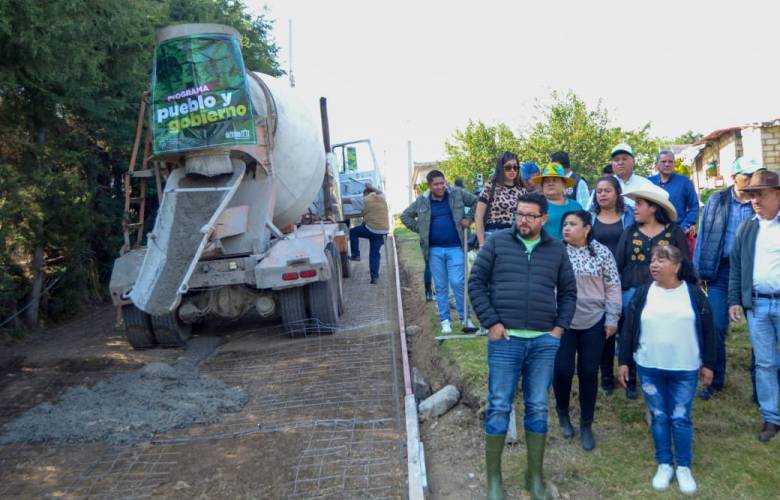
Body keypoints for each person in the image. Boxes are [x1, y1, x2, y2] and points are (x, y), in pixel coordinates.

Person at [469, 192, 577, 500]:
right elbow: (476, 283)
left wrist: (558, 328)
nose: (523, 220)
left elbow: (569, 292)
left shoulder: (556, 249)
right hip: (506, 340)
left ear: (544, 219)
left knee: (538, 406)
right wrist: (491, 322)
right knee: (499, 406)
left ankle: (534, 478)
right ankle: (494, 480)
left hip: (543, 341)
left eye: (530, 215)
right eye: (519, 214)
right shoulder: (497, 243)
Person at [618, 244, 715, 495]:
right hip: (649, 366)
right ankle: (664, 463)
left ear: (677, 266)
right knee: (659, 416)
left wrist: (708, 364)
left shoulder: (694, 294)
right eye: (653, 260)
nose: (654, 264)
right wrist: (624, 361)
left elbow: (708, 331)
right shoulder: (643, 293)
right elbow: (628, 329)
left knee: (681, 417)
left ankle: (683, 466)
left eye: (662, 260)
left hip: (685, 367)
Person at [693, 157, 765, 400]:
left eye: (755, 174)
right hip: (722, 271)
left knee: (760, 329)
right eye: (747, 175)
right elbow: (704, 234)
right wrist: (698, 270)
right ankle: (715, 380)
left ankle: (760, 387)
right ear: (734, 177)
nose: (752, 180)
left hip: (754, 270)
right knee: (715, 325)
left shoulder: (761, 201)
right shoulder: (717, 200)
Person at [554, 210, 621, 451]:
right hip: (562, 321)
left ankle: (586, 424)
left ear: (587, 228)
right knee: (562, 370)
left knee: (589, 373)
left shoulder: (602, 252)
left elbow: (613, 286)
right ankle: (562, 413)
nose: (566, 228)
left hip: (594, 320)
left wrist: (612, 318)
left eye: (573, 224)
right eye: (565, 224)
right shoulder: (555, 251)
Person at [615, 184, 689, 399]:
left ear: (654, 207)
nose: (634, 208)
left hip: (666, 293)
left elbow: (684, 264)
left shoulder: (674, 232)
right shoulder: (630, 232)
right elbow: (618, 263)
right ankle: (630, 377)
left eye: (639, 204)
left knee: (664, 333)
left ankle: (666, 375)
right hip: (632, 291)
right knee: (631, 332)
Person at [727, 169, 780, 442]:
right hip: (757, 305)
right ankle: (771, 418)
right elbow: (736, 267)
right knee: (765, 363)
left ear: (778, 195)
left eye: (761, 194)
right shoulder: (747, 227)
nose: (755, 200)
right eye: (752, 195)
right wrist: (734, 300)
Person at [401, 169, 477, 334]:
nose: (440, 186)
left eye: (442, 183)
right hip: (434, 250)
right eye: (436, 184)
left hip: (456, 247)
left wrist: (469, 219)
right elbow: (405, 216)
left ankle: (466, 319)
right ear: (429, 186)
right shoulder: (422, 201)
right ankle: (445, 321)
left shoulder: (457, 194)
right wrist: (422, 230)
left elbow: (477, 202)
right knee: (441, 287)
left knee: (458, 282)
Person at [587, 176, 635, 394]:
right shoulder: (590, 217)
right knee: (604, 331)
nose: (603, 194)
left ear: (617, 193)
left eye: (607, 190)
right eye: (599, 191)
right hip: (598, 283)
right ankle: (606, 376)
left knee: (628, 330)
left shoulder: (629, 215)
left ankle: (629, 376)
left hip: (626, 280)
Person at [648, 150, 699, 255]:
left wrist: (685, 226)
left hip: (678, 233)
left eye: (670, 161)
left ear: (674, 164)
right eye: (663, 161)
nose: (667, 164)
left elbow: (694, 207)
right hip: (653, 233)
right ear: (656, 164)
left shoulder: (684, 182)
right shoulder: (649, 182)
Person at [475, 152, 526, 247]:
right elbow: (479, 216)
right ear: (500, 168)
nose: (512, 170)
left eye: (515, 167)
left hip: (514, 237)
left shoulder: (522, 191)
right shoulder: (489, 187)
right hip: (492, 235)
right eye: (508, 167)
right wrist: (481, 243)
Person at [346, 186, 389, 284]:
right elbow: (379, 191)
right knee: (374, 254)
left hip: (372, 229)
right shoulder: (382, 197)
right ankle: (375, 277)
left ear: (366, 194)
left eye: (363, 195)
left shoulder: (366, 200)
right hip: (383, 231)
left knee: (353, 232)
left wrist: (340, 201)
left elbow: (349, 201)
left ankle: (355, 255)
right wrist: (370, 186)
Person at [531, 162, 581, 239]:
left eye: (555, 180)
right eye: (546, 181)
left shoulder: (576, 206)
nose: (550, 183)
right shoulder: (535, 206)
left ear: (564, 184)